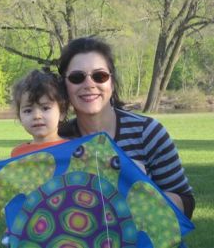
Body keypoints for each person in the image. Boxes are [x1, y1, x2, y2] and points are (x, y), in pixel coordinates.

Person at [57, 36, 195, 219]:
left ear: (112, 83)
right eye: (77, 77)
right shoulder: (57, 143)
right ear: (65, 86)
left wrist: (137, 191)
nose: (89, 84)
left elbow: (186, 203)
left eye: (100, 76)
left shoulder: (148, 133)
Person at [0, 69, 68, 199]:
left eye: (45, 108)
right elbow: (10, 192)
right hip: (33, 217)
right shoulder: (18, 154)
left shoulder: (74, 150)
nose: (37, 116)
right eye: (28, 110)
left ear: (62, 112)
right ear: (20, 117)